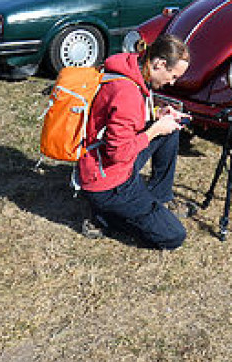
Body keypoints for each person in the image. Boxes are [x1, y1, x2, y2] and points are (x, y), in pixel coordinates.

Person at [76, 34, 191, 248]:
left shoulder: (130, 68)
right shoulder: (126, 92)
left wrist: (157, 115)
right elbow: (117, 154)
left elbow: (119, 122)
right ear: (159, 64)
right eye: (172, 75)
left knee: (170, 130)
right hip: (109, 182)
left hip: (96, 164)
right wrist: (154, 130)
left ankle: (159, 197)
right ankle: (104, 217)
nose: (172, 82)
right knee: (174, 236)